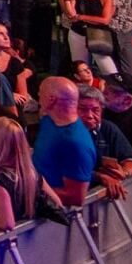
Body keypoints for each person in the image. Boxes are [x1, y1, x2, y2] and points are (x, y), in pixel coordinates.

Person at [31, 77, 97, 208]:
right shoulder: (48, 120)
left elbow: (76, 197)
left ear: (51, 100)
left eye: (40, 92)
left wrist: (29, 190)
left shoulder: (76, 143)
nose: (38, 96)